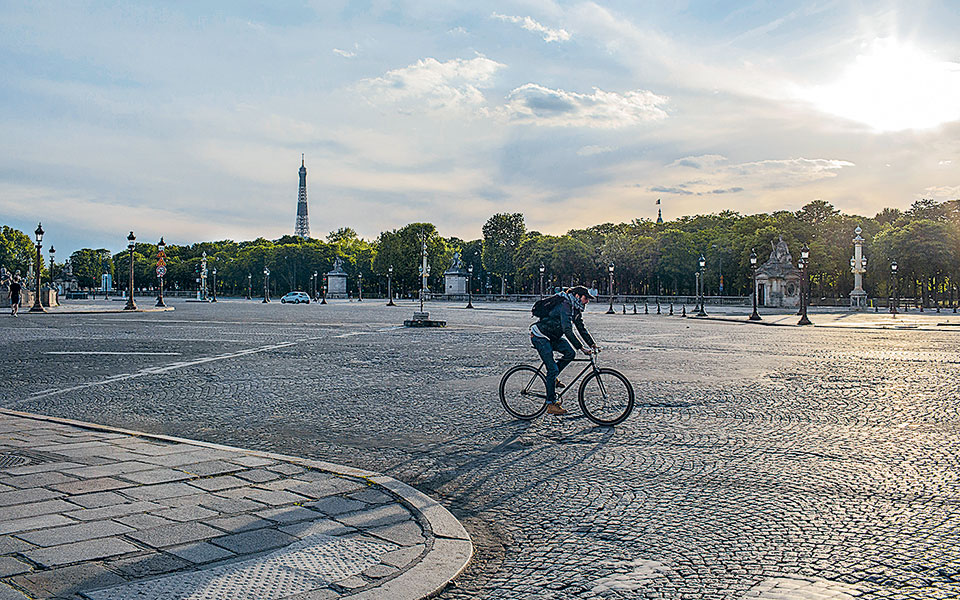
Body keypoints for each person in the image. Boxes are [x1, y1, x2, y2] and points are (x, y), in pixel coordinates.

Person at [530, 285, 599, 415]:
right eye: (586, 298)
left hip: (552, 335)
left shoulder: (575, 309)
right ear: (577, 296)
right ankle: (550, 405)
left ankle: (552, 378)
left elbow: (580, 327)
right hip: (540, 336)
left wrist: (592, 344)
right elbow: (567, 330)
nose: (587, 301)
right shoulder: (565, 305)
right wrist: (581, 348)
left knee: (570, 353)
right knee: (553, 369)